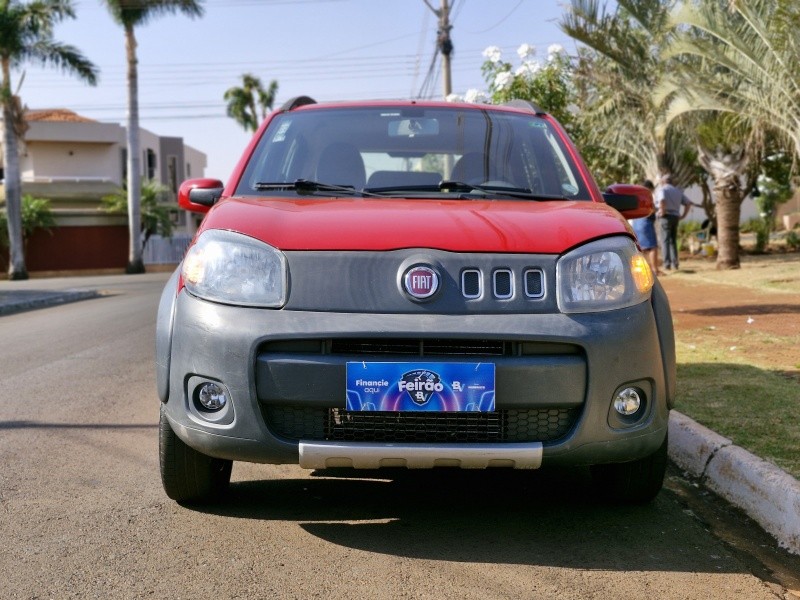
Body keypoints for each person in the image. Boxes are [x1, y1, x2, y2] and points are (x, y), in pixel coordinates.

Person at [654, 173, 692, 271]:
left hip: (665, 217)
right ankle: (675, 263)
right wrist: (683, 215)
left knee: (665, 240)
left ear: (663, 181)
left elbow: (662, 200)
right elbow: (688, 203)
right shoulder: (678, 191)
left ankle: (667, 264)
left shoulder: (662, 190)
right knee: (673, 241)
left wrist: (662, 211)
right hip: (675, 216)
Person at [630, 179, 661, 275]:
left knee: (641, 248)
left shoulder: (636, 196)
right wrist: (657, 209)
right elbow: (652, 209)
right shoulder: (646, 196)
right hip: (645, 223)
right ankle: (655, 269)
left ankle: (642, 270)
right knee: (652, 247)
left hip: (636, 223)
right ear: (649, 188)